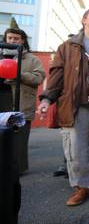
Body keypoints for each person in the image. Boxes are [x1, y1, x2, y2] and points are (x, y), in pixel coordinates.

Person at [37, 9, 89, 206]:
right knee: (76, 148)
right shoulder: (66, 46)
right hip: (74, 105)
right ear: (84, 20)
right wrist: (46, 100)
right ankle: (82, 186)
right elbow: (56, 77)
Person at [2, 17, 45, 174]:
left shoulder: (32, 59)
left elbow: (39, 77)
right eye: (10, 38)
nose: (12, 40)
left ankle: (17, 169)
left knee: (19, 139)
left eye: (16, 38)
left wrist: (19, 74)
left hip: (22, 102)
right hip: (3, 100)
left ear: (22, 40)